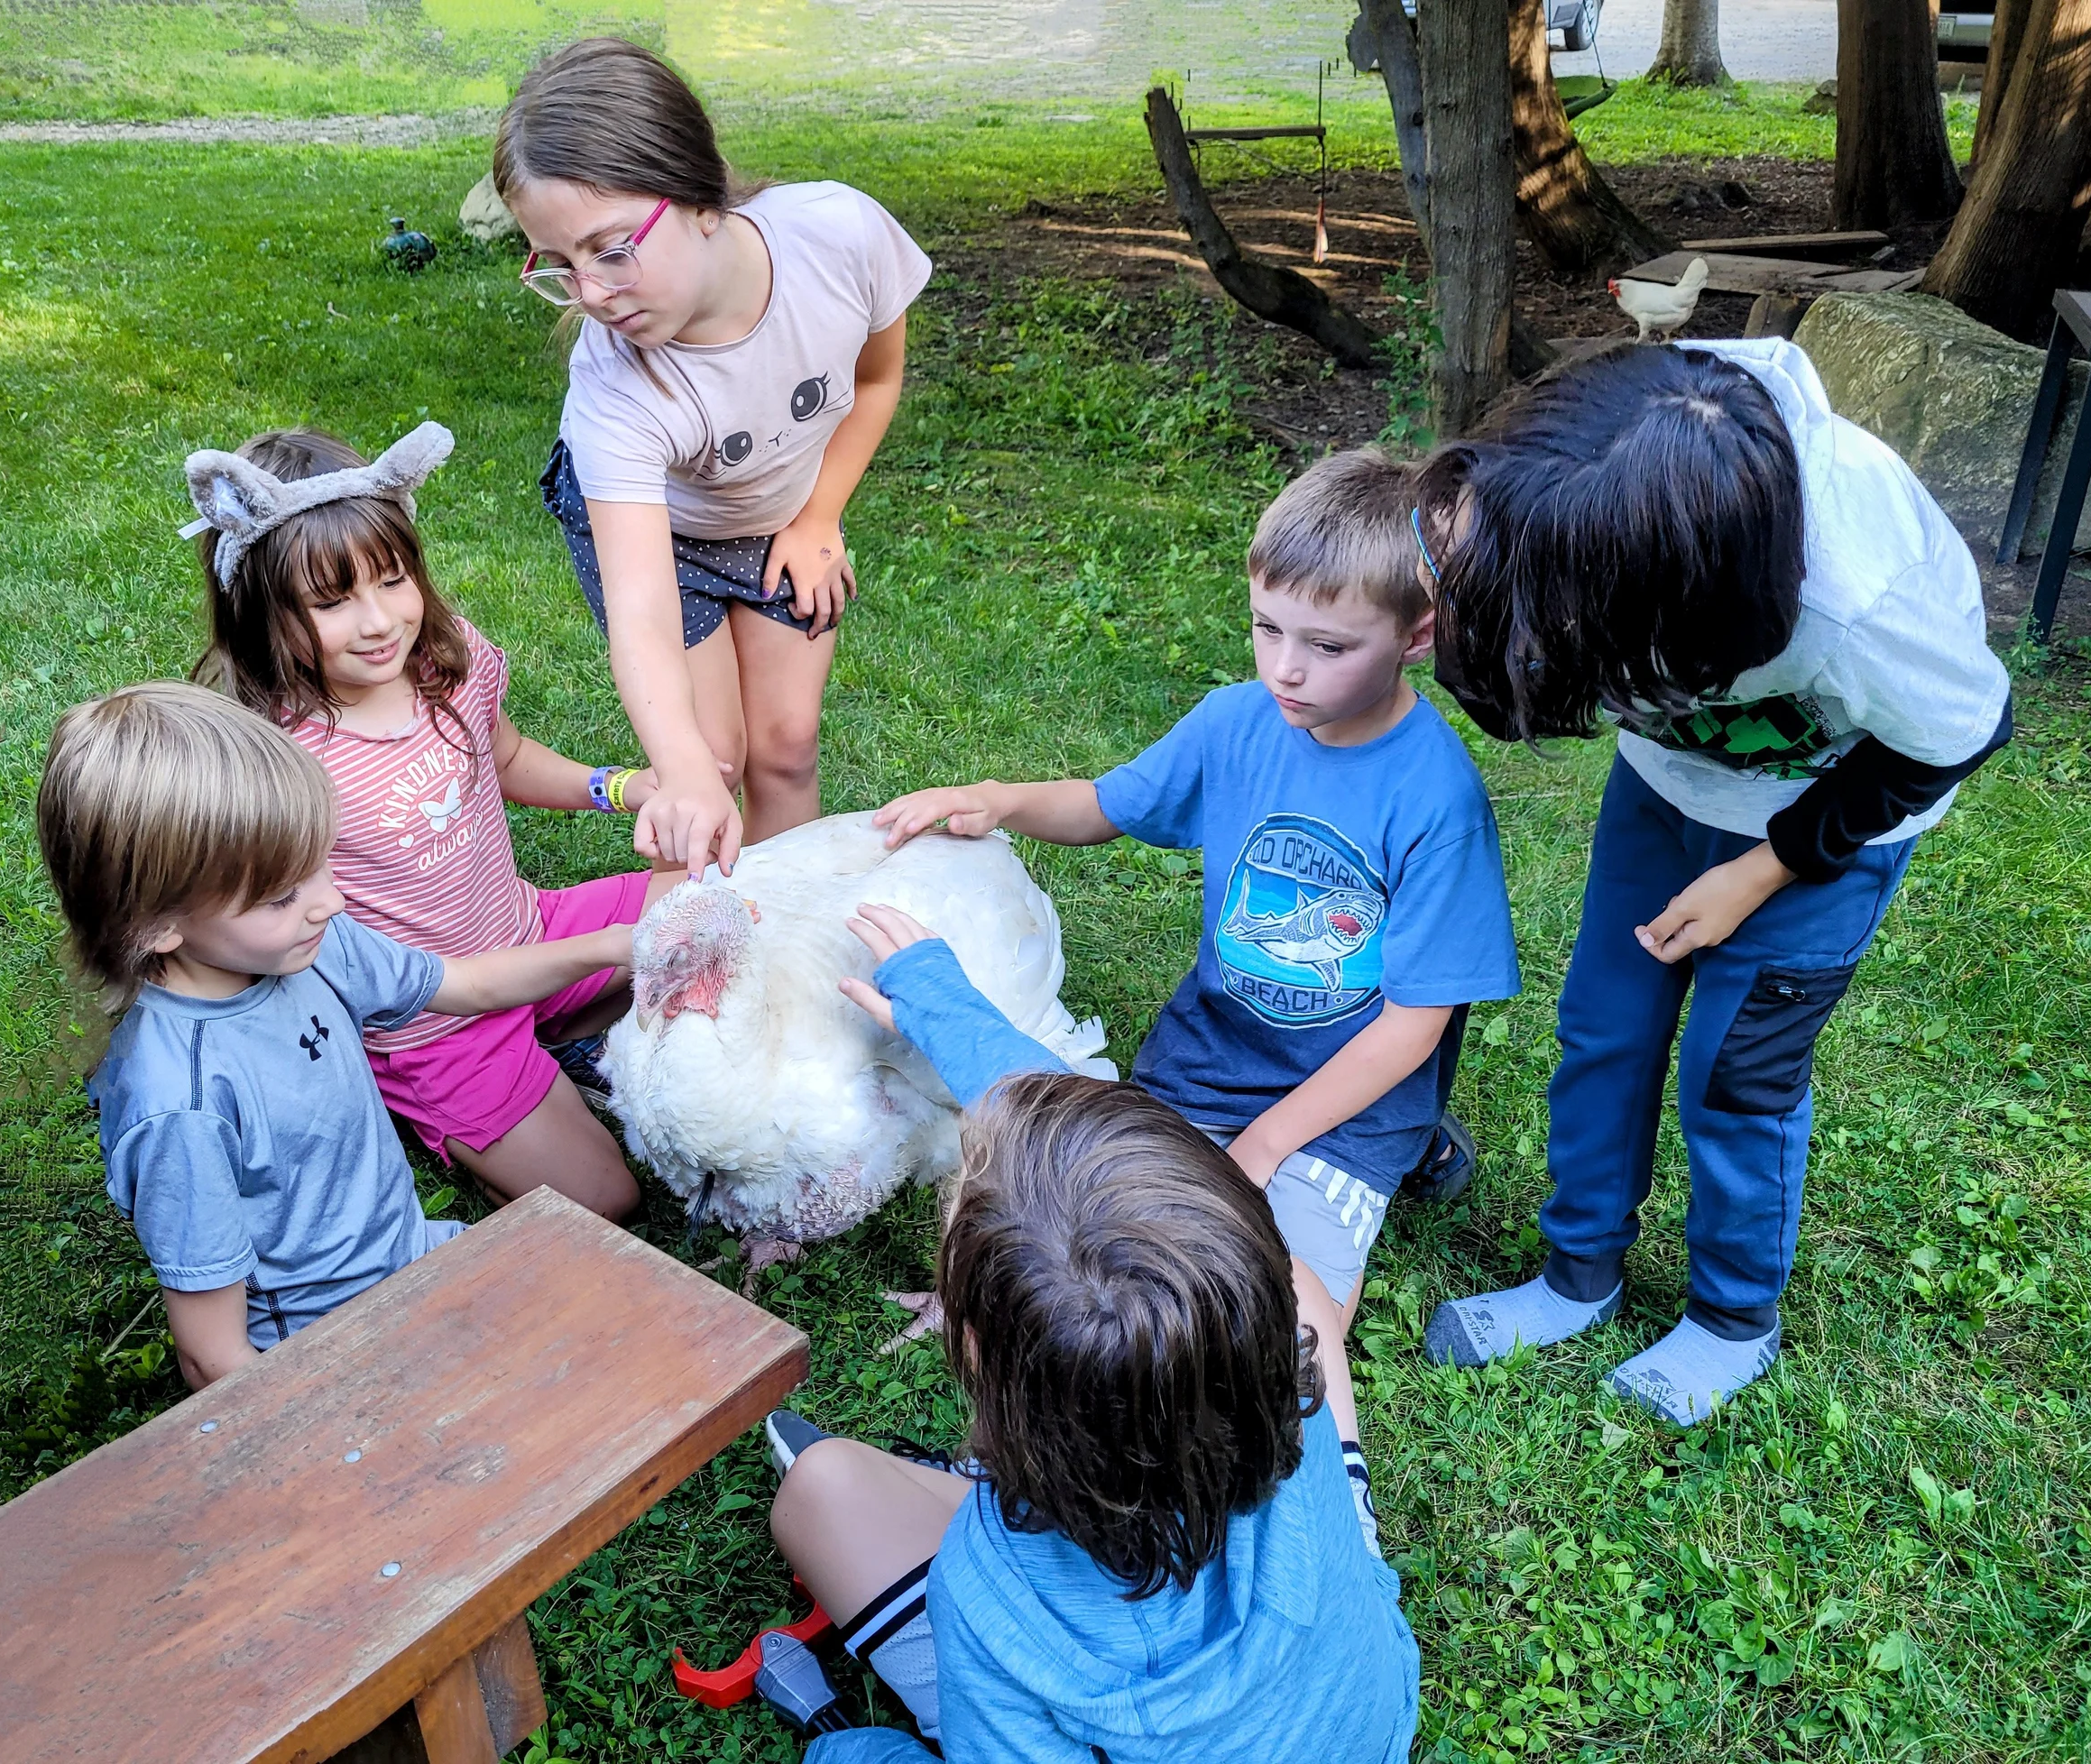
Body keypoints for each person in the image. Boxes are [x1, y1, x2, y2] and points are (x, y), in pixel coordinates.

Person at [870, 447, 1521, 1464]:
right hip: (1201, 1067)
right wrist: (999, 802)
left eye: (1328, 644)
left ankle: (1333, 1507)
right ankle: (1013, 1455)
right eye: (1266, 628)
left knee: (1272, 1313)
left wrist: (1264, 1150)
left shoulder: (1435, 798)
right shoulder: (1235, 722)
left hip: (1346, 1116)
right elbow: (1103, 807)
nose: (1286, 669)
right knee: (1087, 1240)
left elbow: (1411, 1026)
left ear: (1417, 635)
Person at [1414, 339, 2013, 1426]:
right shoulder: (1614, 448)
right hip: (1663, 795)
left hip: (1826, 831)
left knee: (1733, 1078)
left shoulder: (1857, 608)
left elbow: (1960, 733)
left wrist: (1763, 870)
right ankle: (1574, 1277)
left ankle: (1731, 1322)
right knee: (1606, 1029)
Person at [744, 904, 1420, 1762]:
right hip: (1362, 1720)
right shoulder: (1276, 1348)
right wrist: (945, 1008)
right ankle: (1344, 1527)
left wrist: (848, 1752)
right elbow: (1135, 1169)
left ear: (983, 1360)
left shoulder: (990, 1592)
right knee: (1303, 1288)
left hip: (1067, 1669)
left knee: (820, 1486)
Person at [39, 682, 645, 1390]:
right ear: (155, 925)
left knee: (614, 1332)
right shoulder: (181, 1104)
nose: (330, 900)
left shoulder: (307, 943)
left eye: (319, 862)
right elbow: (213, 1356)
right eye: (280, 895)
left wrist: (610, 947)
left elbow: (468, 985)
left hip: (416, 1260)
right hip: (335, 1353)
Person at [186, 421, 675, 1222]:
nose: (377, 622)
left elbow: (507, 757)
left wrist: (622, 787)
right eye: (331, 601)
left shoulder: (451, 661)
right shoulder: (273, 757)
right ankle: (486, 1104)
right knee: (610, 1199)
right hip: (432, 1024)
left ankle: (558, 1034)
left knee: (716, 893)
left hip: (529, 928)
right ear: (263, 609)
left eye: (391, 580)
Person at [494, 36, 932, 877]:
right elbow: (642, 612)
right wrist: (687, 777)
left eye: (610, 248)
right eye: (560, 264)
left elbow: (876, 378)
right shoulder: (614, 384)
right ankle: (700, 986)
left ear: (700, 196)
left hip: (781, 517)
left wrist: (818, 519)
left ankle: (781, 962)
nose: (589, 293)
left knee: (788, 745)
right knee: (715, 761)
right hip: (659, 540)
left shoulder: (840, 238)